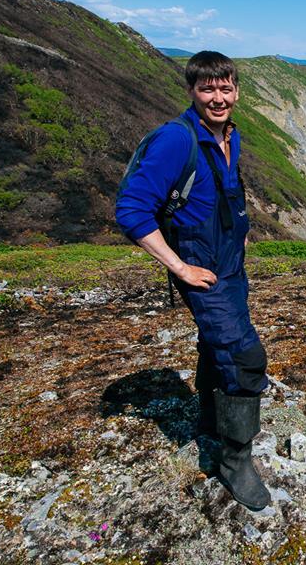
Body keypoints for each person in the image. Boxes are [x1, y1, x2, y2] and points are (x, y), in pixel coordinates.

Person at [115, 50, 270, 510]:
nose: (218, 98)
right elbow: (131, 211)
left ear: (236, 91)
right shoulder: (176, 140)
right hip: (203, 273)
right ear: (192, 91)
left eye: (226, 88)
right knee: (245, 361)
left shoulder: (229, 136)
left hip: (230, 266)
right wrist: (179, 267)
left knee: (214, 344)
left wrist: (240, 236)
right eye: (208, 89)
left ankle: (207, 422)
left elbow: (224, 193)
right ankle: (233, 461)